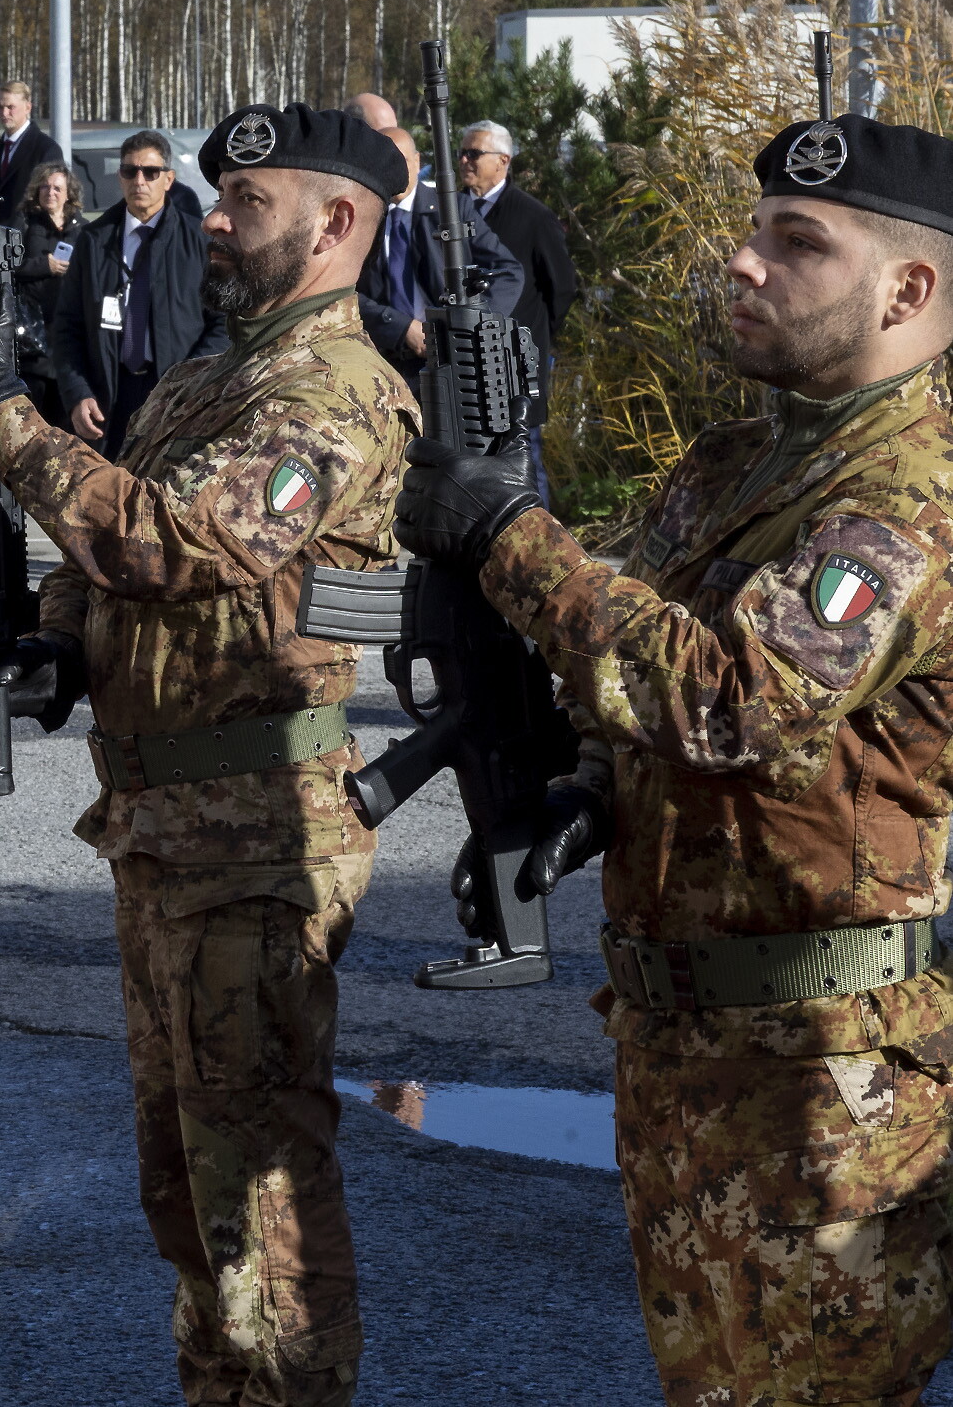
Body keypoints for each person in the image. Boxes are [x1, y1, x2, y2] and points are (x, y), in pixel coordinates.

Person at [392, 112, 953, 1407]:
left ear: (908, 288)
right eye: (753, 234)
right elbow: (629, 674)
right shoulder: (731, 462)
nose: (745, 264)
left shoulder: (909, 492)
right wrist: (580, 798)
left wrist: (504, 534)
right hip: (691, 1047)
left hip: (826, 1080)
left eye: (795, 243)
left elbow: (730, 699)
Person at [0, 102, 417, 1406]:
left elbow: (175, 541)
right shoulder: (204, 372)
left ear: (337, 224)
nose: (210, 217)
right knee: (183, 1177)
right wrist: (60, 645)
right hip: (161, 829)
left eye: (246, 201)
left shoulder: (333, 390)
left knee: (259, 1185)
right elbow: (108, 550)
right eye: (214, 192)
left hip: (257, 831)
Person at [50, 129, 225, 458]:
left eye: (151, 172)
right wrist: (77, 393)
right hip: (110, 399)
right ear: (120, 177)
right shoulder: (93, 240)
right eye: (130, 171)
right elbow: (67, 326)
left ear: (168, 179)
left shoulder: (199, 242)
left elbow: (223, 323)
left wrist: (188, 383)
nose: (139, 180)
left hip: (175, 397)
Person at [460, 120, 577, 497]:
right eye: (462, 151)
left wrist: (536, 336)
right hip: (464, 357)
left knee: (521, 457)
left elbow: (562, 288)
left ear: (503, 161)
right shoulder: (452, 211)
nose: (464, 160)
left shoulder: (534, 217)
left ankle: (537, 551)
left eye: (474, 153)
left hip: (516, 361)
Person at [355, 124, 523, 378]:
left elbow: (509, 272)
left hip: (453, 366)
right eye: (382, 162)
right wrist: (400, 327)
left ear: (417, 160)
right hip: (383, 365)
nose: (392, 170)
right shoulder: (359, 218)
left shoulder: (453, 210)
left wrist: (467, 328)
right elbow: (344, 291)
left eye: (399, 160)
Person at [10, 159, 85, 425]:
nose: (50, 193)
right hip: (33, 332)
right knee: (36, 410)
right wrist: (46, 265)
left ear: (68, 194)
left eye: (56, 188)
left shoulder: (81, 227)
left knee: (64, 412)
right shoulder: (26, 222)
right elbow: (8, 265)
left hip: (68, 328)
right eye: (44, 187)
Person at [0, 79, 64, 224]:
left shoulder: (46, 149)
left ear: (28, 107)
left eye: (10, 107)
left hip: (28, 238)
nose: (4, 113)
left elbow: (52, 202)